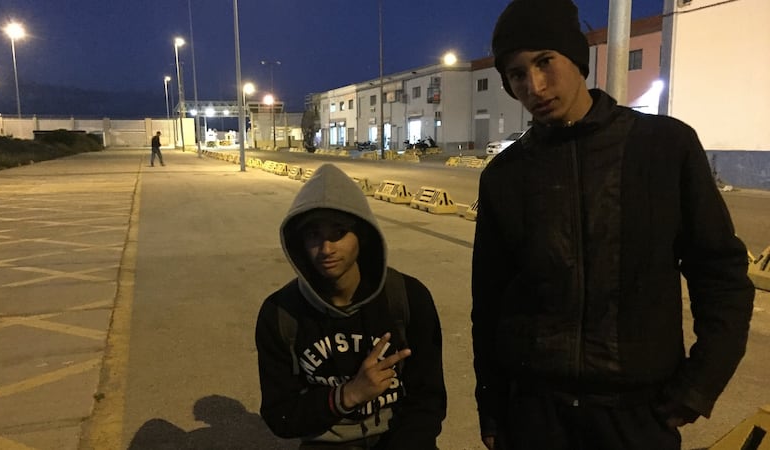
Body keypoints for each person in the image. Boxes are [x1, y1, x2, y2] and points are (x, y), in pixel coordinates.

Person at [471, 1, 755, 449]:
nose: (535, 86)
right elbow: (488, 304)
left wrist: (699, 385)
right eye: (517, 74)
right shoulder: (505, 176)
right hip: (536, 417)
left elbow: (720, 275)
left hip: (637, 417)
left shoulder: (663, 147)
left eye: (545, 62)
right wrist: (491, 409)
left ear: (576, 59)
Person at [256, 163, 446, 449]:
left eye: (339, 232)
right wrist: (347, 395)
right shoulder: (280, 314)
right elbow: (281, 416)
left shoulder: (407, 297)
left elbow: (428, 401)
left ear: (362, 235)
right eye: (313, 235)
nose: (326, 248)